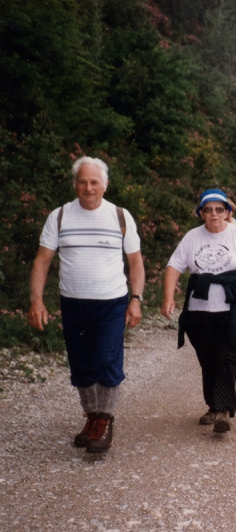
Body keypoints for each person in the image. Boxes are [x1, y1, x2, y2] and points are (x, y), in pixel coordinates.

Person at [28, 156, 145, 454]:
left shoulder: (120, 216)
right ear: (75, 184)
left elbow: (135, 263)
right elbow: (42, 261)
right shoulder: (60, 216)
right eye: (83, 181)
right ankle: (93, 417)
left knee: (106, 360)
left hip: (111, 303)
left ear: (105, 185)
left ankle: (104, 420)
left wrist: (135, 300)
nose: (88, 187)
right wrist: (37, 300)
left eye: (94, 182)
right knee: (81, 365)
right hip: (73, 303)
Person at [160, 189, 236, 435]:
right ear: (201, 213)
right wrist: (168, 298)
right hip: (200, 310)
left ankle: (224, 410)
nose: (214, 214)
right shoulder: (192, 237)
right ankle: (213, 405)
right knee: (207, 359)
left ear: (228, 212)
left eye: (219, 209)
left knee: (229, 356)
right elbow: (174, 266)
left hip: (234, 307)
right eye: (208, 210)